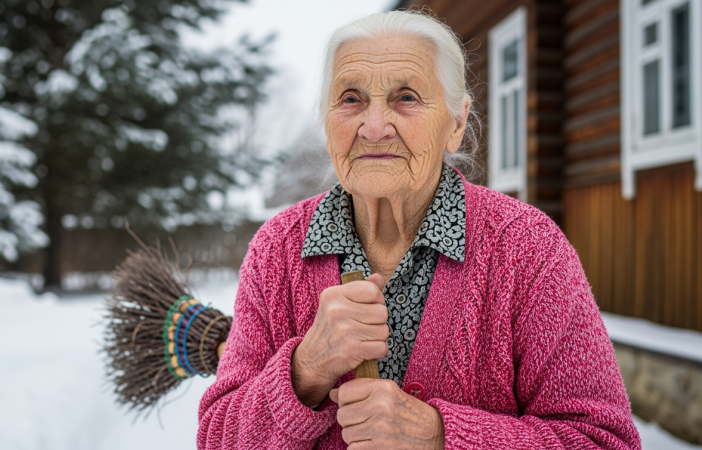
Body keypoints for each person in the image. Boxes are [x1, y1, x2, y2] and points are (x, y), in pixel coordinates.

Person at [198, 10, 641, 450]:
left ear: (457, 122)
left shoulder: (527, 247)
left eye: (405, 97)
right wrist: (307, 369)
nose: (373, 127)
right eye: (350, 99)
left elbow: (605, 442)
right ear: (327, 120)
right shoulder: (277, 249)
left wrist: (439, 436)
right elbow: (217, 440)